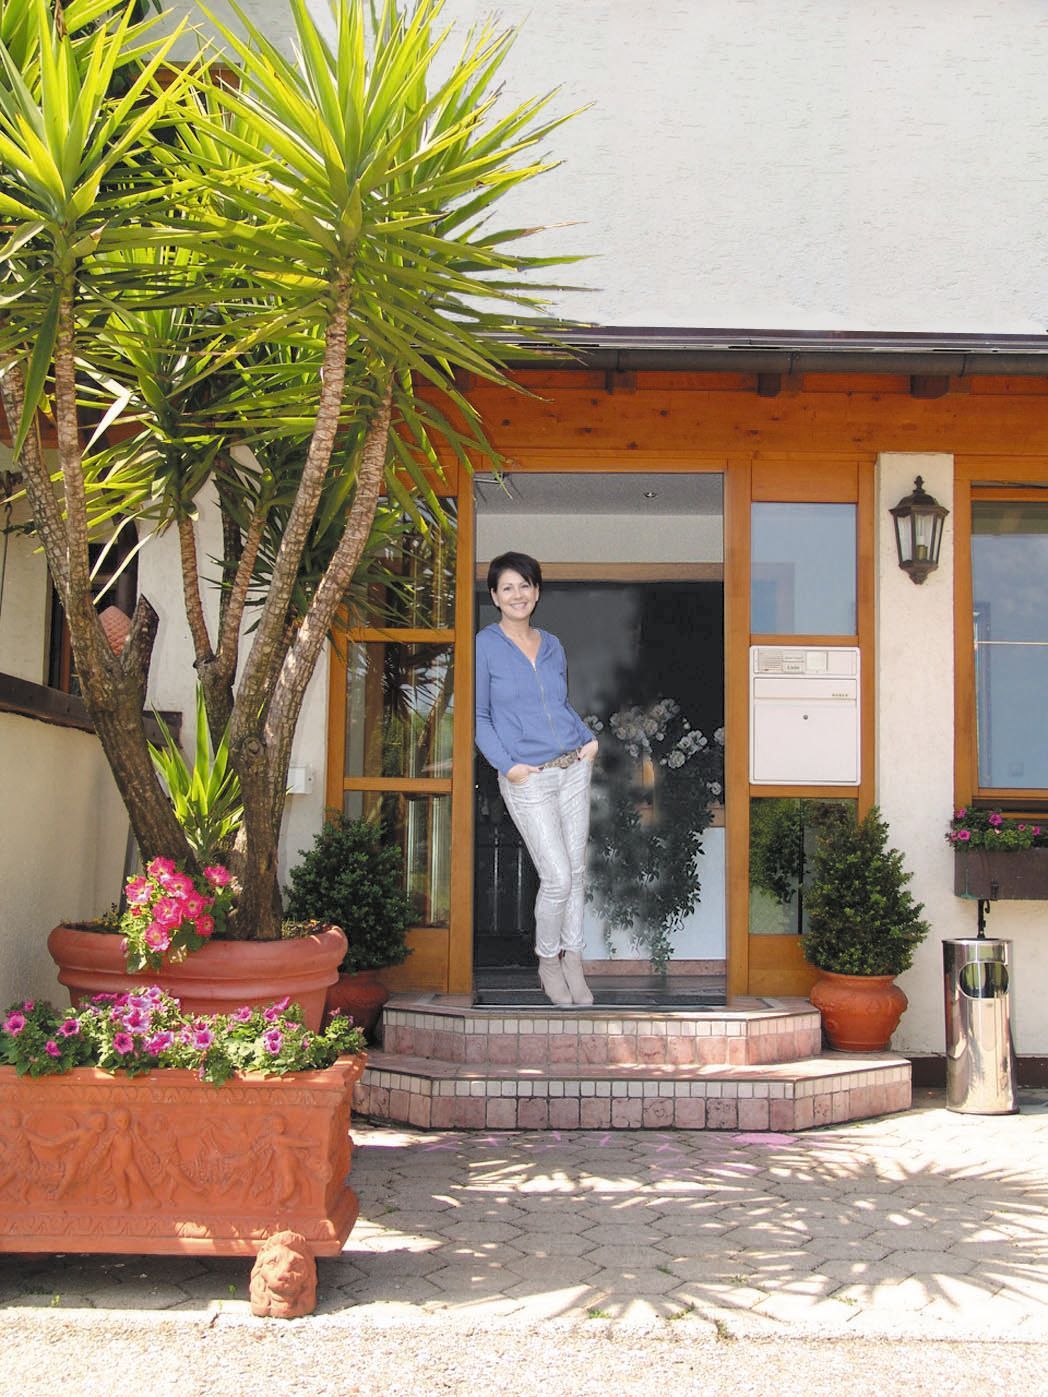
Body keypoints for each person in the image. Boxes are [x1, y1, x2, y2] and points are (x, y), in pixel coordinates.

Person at [475, 551, 598, 1007]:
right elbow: (479, 717)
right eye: (507, 587)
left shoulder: (552, 645)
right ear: (494, 596)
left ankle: (574, 959)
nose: (517, 594)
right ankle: (548, 961)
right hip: (529, 779)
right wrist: (508, 767)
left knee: (578, 872)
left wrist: (588, 739)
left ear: (537, 591)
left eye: (524, 585)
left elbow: (560, 705)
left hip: (573, 767)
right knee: (558, 877)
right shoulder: (484, 645)